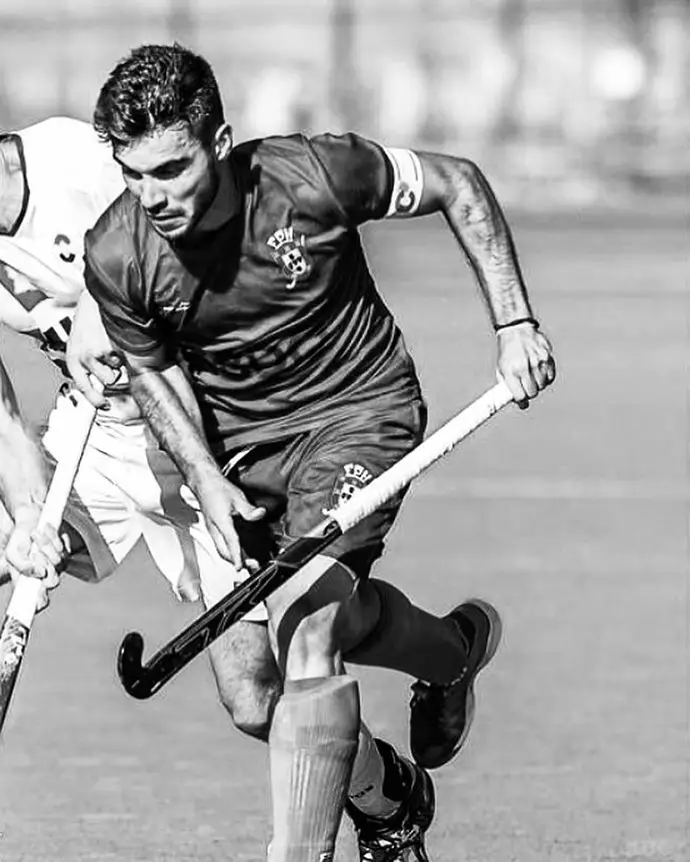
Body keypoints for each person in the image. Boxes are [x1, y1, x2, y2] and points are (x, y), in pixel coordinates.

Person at [83, 43, 556, 862]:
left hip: (358, 414)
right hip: (236, 456)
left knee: (308, 628)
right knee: (251, 696)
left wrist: (514, 322)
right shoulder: (117, 252)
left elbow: (457, 181)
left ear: (219, 142)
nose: (152, 196)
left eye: (171, 170)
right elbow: (154, 374)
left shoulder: (314, 174)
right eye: (133, 175)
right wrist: (203, 477)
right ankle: (451, 653)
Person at [0, 115, 279, 735]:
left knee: (254, 702)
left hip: (201, 429)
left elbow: (182, 219)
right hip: (95, 437)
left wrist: (107, 297)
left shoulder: (73, 159)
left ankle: (388, 793)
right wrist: (27, 519)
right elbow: (3, 418)